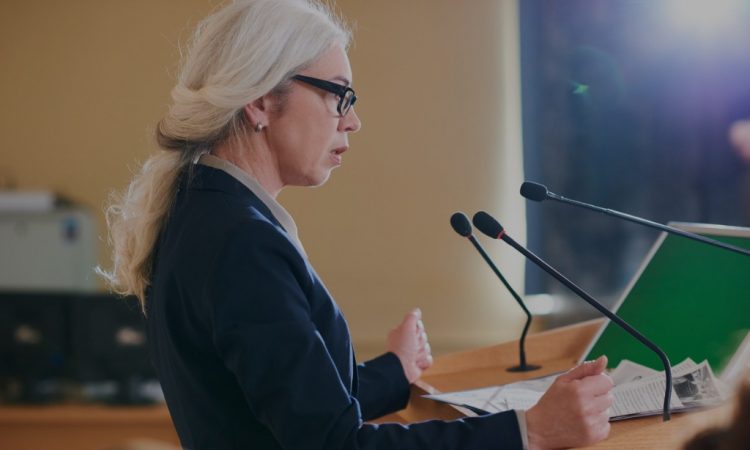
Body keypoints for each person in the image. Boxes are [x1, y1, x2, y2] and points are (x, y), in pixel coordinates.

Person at [100, 1, 613, 449]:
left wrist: (396, 370)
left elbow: (289, 402)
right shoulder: (242, 241)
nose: (352, 120)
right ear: (259, 100)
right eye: (338, 94)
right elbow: (336, 443)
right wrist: (531, 431)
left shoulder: (202, 211)